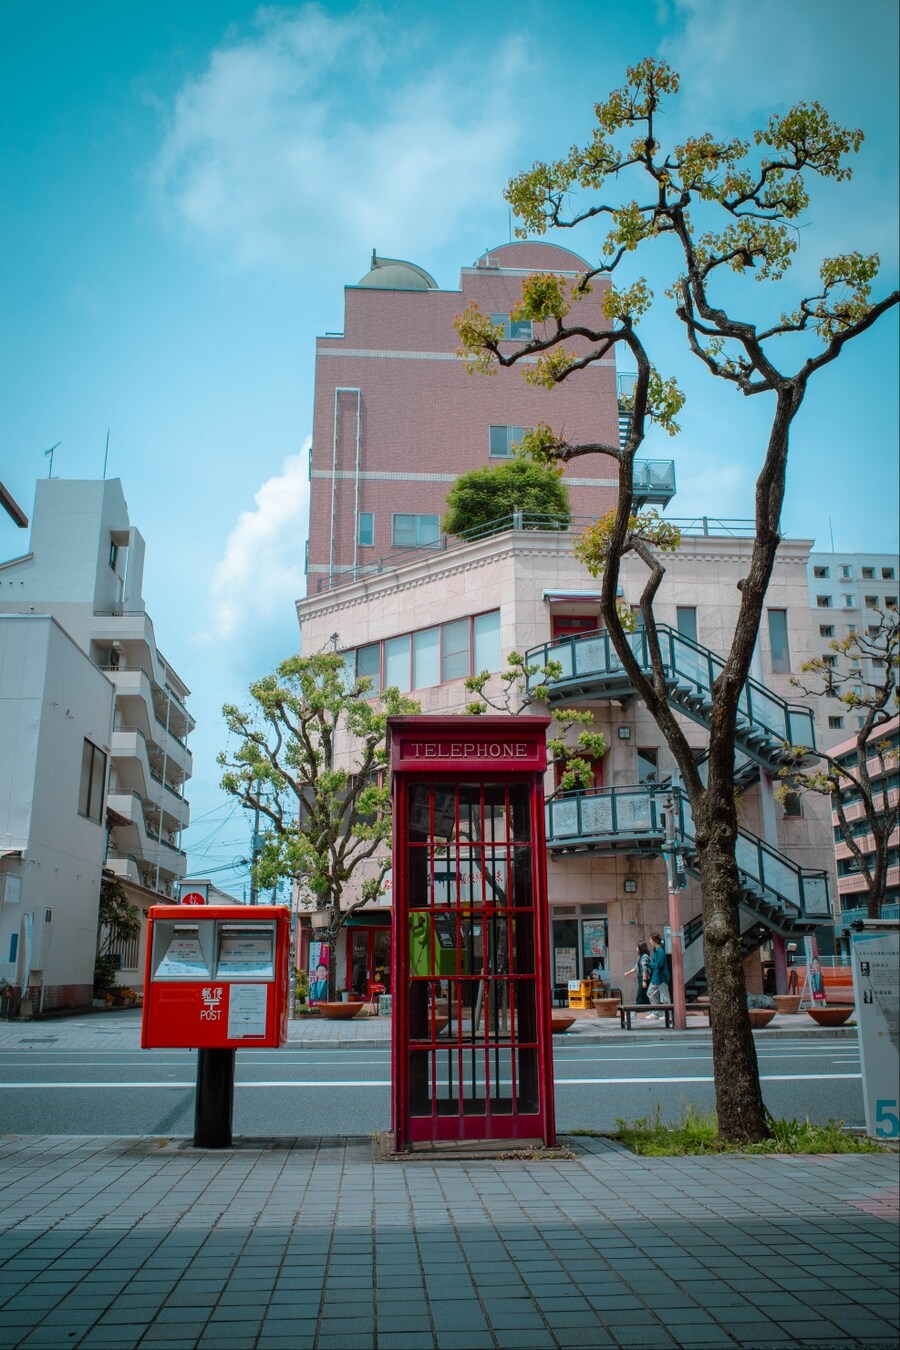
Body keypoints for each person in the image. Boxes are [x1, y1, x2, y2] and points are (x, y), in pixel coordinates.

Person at [644, 931, 671, 1019]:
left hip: (661, 977)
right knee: (650, 993)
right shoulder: (656, 950)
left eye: (651, 939)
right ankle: (656, 1013)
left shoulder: (660, 951)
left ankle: (668, 1015)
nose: (650, 941)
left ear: (655, 940)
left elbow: (659, 965)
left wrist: (647, 964)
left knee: (665, 996)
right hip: (656, 977)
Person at [624, 941, 652, 1005]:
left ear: (641, 948)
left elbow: (645, 969)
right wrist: (628, 973)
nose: (636, 948)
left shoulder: (644, 957)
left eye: (637, 947)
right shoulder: (640, 956)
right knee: (644, 997)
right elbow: (636, 968)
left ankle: (634, 1013)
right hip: (640, 979)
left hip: (644, 979)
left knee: (639, 998)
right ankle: (651, 1012)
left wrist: (644, 981)